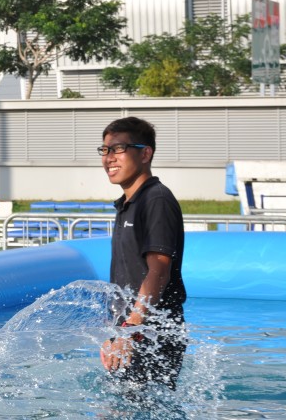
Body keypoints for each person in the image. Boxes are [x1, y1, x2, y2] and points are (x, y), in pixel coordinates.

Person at [98, 116, 187, 390]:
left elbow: (158, 271)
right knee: (122, 406)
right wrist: (113, 332)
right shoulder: (128, 203)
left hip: (152, 331)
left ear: (145, 153)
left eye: (119, 149)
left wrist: (131, 330)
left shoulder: (155, 200)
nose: (109, 158)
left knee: (143, 406)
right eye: (105, 150)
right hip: (132, 330)